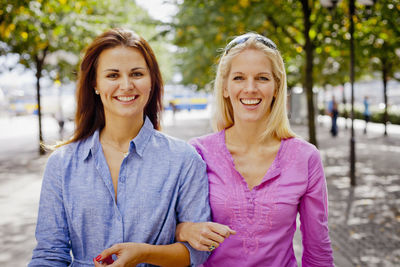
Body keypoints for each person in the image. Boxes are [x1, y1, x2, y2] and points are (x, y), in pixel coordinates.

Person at [28, 28, 210, 267]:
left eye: (136, 74)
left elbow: (197, 253)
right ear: (95, 83)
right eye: (113, 75)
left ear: (151, 81)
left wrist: (144, 254)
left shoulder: (183, 159)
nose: (126, 85)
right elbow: (49, 255)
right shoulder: (62, 164)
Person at [175, 33, 334, 266]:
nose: (250, 88)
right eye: (239, 78)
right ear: (225, 88)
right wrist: (184, 230)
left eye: (262, 78)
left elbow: (318, 249)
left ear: (277, 87)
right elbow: (168, 228)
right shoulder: (198, 152)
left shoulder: (305, 157)